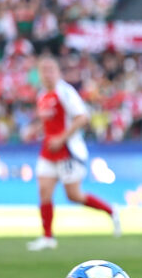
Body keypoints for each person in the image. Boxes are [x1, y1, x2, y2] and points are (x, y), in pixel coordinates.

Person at [25, 55, 120, 251]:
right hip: (48, 150)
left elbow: (82, 117)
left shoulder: (65, 92)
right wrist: (35, 130)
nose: (47, 74)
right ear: (39, 74)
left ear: (58, 72)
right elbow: (49, 122)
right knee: (44, 190)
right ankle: (48, 237)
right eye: (44, 70)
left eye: (51, 69)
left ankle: (111, 211)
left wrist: (61, 138)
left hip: (68, 151)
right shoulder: (42, 95)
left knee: (74, 195)